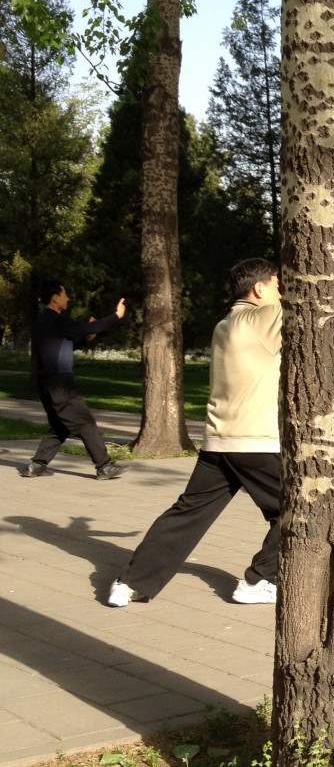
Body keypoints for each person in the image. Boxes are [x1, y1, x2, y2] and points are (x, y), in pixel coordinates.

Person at [108, 258, 283, 607]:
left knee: (188, 513)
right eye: (278, 287)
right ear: (260, 288)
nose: (281, 295)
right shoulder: (264, 318)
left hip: (218, 441)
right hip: (254, 441)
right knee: (301, 507)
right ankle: (257, 580)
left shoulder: (224, 324)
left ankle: (129, 583)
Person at [21, 281, 128, 480]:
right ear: (55, 297)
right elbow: (90, 326)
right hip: (60, 385)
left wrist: (85, 339)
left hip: (45, 384)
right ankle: (104, 466)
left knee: (60, 426)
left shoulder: (42, 322)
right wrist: (116, 316)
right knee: (85, 422)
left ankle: (37, 465)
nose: (67, 298)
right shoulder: (57, 320)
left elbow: (60, 348)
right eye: (65, 294)